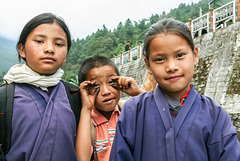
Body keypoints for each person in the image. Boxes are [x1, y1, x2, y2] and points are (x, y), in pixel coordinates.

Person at [109, 18, 240, 161]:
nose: (171, 67)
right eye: (159, 59)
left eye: (179, 55)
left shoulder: (215, 115)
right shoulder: (132, 111)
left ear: (195, 56)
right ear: (148, 65)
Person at [1, 13, 80, 161]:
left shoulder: (75, 96)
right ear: (22, 49)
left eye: (59, 44)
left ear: (67, 52)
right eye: (39, 41)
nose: (49, 49)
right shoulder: (4, 97)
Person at [75, 56, 145, 161]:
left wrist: (138, 93)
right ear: (85, 89)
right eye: (96, 85)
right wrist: (86, 108)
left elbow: (165, 115)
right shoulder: (86, 122)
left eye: (111, 82)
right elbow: (82, 158)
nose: (106, 91)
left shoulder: (128, 112)